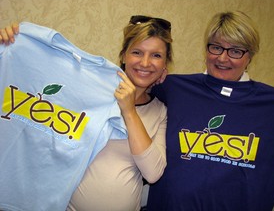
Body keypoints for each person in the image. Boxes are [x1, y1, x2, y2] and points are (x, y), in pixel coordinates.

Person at [0, 15, 173, 211]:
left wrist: (130, 112)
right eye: (137, 52)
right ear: (124, 55)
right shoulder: (88, 92)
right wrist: (12, 46)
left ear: (165, 64)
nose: (145, 62)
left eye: (156, 55)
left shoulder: (160, 110)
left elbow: (153, 173)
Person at [146, 11, 274, 211]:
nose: (223, 58)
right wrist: (152, 71)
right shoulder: (172, 88)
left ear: (250, 56)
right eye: (216, 47)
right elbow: (128, 91)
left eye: (236, 51)